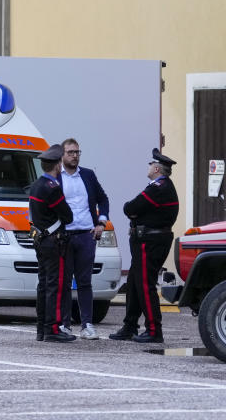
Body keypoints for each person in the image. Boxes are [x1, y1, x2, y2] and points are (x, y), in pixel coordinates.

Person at [109, 148, 179, 343]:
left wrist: (133, 213)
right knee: (133, 283)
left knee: (145, 284)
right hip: (148, 241)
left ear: (157, 168)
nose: (148, 167)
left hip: (150, 242)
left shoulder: (158, 188)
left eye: (150, 164)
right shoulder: (162, 186)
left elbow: (130, 207)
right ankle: (130, 325)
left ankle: (154, 329)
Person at [58, 137, 109, 340]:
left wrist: (101, 222)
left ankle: (87, 324)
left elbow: (103, 198)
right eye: (70, 152)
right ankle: (65, 324)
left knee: (84, 282)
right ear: (62, 155)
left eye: (77, 152)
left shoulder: (87, 175)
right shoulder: (56, 176)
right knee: (63, 282)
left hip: (86, 234)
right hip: (64, 236)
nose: (75, 156)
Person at [29, 144, 76, 342]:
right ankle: (53, 328)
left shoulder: (36, 185)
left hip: (40, 239)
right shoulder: (52, 188)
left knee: (43, 284)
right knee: (54, 285)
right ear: (57, 165)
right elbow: (68, 216)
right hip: (53, 241)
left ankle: (42, 327)